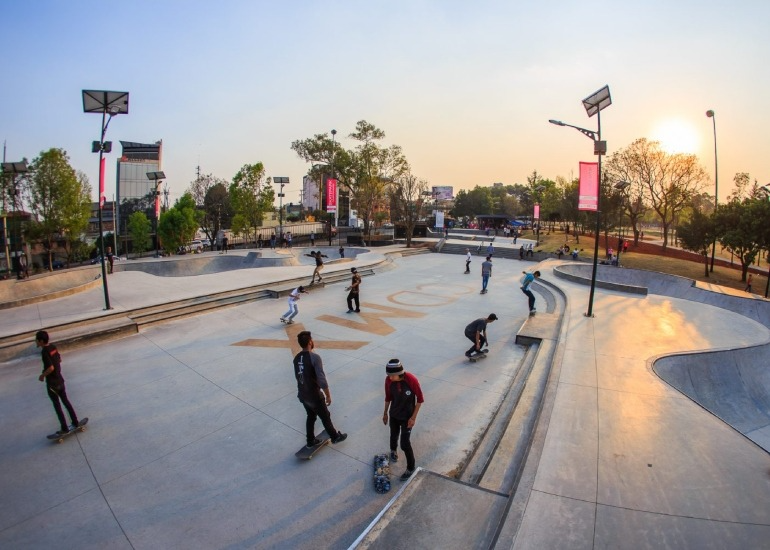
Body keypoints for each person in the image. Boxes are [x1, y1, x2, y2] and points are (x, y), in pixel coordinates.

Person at [293, 330, 347, 447]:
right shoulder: (315, 357)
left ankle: (310, 441)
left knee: (311, 416)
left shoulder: (296, 358)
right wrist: (327, 395)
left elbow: (298, 377)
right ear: (310, 342)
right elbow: (322, 380)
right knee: (325, 416)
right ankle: (335, 437)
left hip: (303, 395)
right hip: (314, 396)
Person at [382, 358, 424, 481]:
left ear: (399, 373)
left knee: (405, 444)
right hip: (394, 414)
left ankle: (411, 467)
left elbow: (420, 399)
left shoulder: (411, 380)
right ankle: (393, 451)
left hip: (407, 418)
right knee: (393, 435)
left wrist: (413, 418)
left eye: (392, 376)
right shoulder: (388, 381)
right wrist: (385, 413)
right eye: (388, 375)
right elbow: (388, 398)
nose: (390, 378)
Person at [36, 330, 80, 436]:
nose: (36, 342)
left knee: (57, 406)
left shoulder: (45, 352)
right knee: (66, 402)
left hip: (52, 384)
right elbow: (59, 360)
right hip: (60, 380)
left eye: (36, 340)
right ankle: (75, 422)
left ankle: (64, 428)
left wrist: (42, 375)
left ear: (41, 341)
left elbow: (50, 367)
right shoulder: (53, 347)